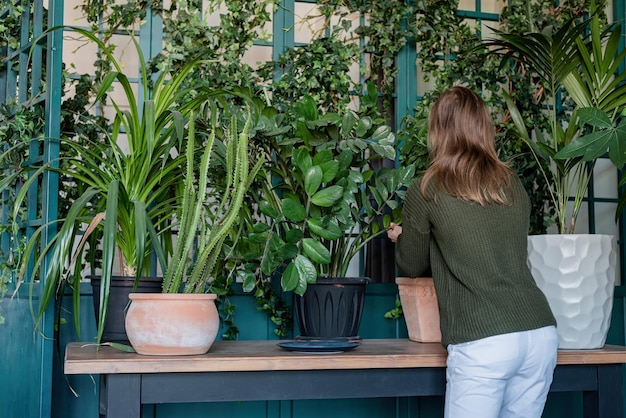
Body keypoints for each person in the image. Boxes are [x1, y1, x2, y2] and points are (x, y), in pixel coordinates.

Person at [387, 86, 558, 418]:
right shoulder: (512, 183)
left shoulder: (427, 188)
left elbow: (411, 264)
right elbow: (493, 243)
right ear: (484, 126)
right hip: (539, 332)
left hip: (484, 340)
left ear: (437, 129)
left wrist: (403, 237)